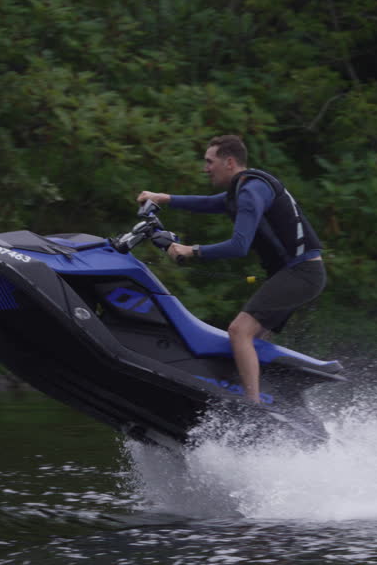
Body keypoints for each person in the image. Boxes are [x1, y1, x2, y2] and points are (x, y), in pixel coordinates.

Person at [136, 135, 326, 404]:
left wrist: (193, 250)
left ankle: (252, 407)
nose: (205, 168)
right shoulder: (244, 189)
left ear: (229, 162)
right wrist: (162, 198)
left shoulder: (250, 192)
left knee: (239, 332)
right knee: (251, 341)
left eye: (209, 162)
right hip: (297, 274)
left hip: (300, 274)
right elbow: (208, 203)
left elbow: (239, 246)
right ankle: (273, 401)